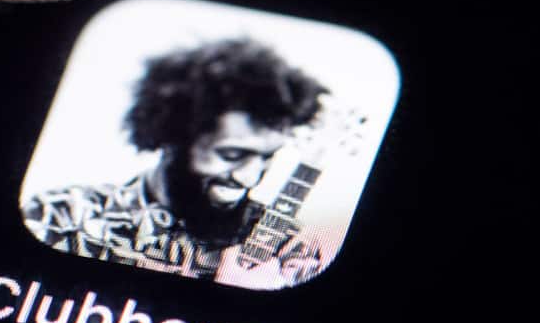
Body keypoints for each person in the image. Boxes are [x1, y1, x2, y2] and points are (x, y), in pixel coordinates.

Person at [22, 39, 330, 287]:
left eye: (267, 157)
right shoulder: (59, 217)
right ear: (172, 137)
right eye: (232, 155)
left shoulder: (288, 248)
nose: (250, 179)